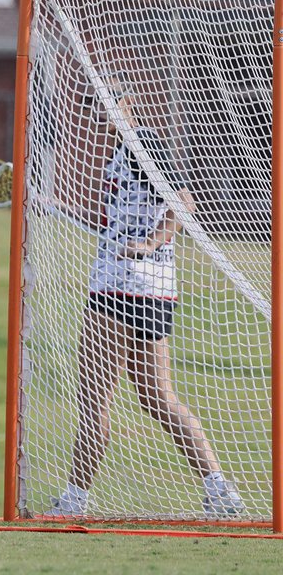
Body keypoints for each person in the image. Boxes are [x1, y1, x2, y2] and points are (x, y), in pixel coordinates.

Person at [47, 74, 243, 518]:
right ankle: (220, 491)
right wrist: (52, 204)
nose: (101, 110)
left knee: (95, 398)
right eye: (95, 103)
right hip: (155, 292)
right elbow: (116, 223)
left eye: (109, 101)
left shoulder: (144, 144)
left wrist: (152, 242)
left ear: (129, 102)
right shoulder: (120, 155)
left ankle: (75, 501)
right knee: (158, 399)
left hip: (120, 287)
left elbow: (183, 201)